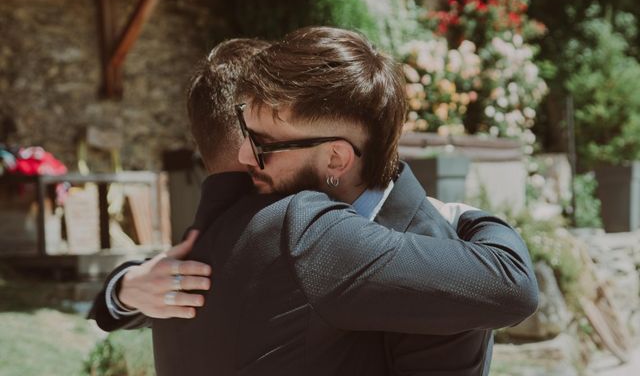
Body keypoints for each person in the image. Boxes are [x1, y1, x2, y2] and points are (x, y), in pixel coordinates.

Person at [90, 29, 538, 375]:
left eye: (263, 142)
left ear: (335, 158)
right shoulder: (267, 214)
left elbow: (513, 287)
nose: (247, 157)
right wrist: (125, 288)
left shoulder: (425, 237)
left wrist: (465, 217)